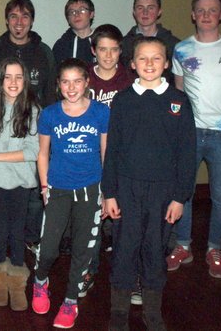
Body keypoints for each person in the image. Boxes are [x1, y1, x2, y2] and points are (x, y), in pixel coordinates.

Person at [103, 37, 196, 330]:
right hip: (127, 189)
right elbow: (112, 150)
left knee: (155, 249)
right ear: (132, 64)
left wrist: (180, 197)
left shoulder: (179, 101)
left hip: (163, 191)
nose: (149, 64)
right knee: (124, 247)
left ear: (166, 63)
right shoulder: (123, 100)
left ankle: (152, 311)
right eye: (142, 58)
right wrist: (109, 193)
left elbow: (187, 153)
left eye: (156, 58)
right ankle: (119, 310)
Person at [169, 0, 221, 279]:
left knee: (220, 196)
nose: (206, 15)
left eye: (212, 10)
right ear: (193, 15)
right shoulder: (182, 50)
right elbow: (178, 92)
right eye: (201, 10)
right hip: (189, 134)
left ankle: (215, 248)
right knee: (184, 192)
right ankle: (183, 245)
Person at [31, 58, 109, 329]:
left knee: (82, 249)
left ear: (87, 83)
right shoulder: (50, 114)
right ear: (58, 85)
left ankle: (70, 300)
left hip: (91, 188)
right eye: (66, 82)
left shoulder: (100, 112)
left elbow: (106, 153)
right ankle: (40, 281)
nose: (71, 87)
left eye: (77, 81)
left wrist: (107, 191)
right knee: (48, 248)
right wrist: (44, 187)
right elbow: (42, 154)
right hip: (58, 188)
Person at [0, 0, 56, 254]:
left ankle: (29, 241)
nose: (19, 22)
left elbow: (51, 91)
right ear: (6, 20)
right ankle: (1, 250)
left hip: (32, 127)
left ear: (32, 21)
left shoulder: (44, 51)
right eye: (13, 16)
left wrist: (48, 129)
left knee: (32, 197)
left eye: (25, 16)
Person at [79, 24, 136, 300]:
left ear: (120, 51)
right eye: (103, 49)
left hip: (123, 159)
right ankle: (88, 270)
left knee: (124, 219)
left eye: (114, 49)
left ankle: (127, 275)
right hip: (89, 157)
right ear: (94, 51)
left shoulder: (130, 80)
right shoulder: (83, 79)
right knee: (92, 220)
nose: (108, 55)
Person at [0, 57, 40, 311]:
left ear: (25, 80)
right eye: (8, 77)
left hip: (20, 181)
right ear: (0, 80)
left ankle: (17, 279)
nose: (13, 82)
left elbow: (33, 151)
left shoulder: (32, 110)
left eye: (19, 77)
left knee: (17, 231)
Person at [120, 0, 180, 86]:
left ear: (159, 11)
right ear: (134, 12)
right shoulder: (123, 44)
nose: (145, 12)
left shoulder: (174, 45)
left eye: (150, 8)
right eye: (140, 8)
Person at [52, 0, 96, 67]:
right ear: (68, 19)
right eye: (72, 12)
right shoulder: (61, 46)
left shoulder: (101, 42)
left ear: (91, 14)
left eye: (82, 10)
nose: (77, 15)